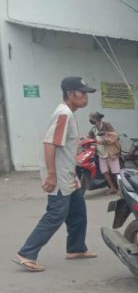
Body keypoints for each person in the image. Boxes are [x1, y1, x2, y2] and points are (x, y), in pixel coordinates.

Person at [14, 77, 98, 273]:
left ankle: (76, 249)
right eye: (82, 92)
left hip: (68, 174)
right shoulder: (64, 114)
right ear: (70, 94)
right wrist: (51, 175)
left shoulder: (68, 113)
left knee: (78, 211)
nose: (86, 97)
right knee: (56, 215)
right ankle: (26, 253)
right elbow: (49, 143)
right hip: (59, 176)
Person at [87, 111, 121, 194]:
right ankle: (112, 188)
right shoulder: (93, 129)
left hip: (111, 152)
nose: (90, 120)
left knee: (116, 172)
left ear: (97, 118)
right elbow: (89, 137)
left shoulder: (107, 125)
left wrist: (104, 138)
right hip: (101, 154)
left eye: (92, 118)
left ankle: (121, 189)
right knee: (104, 171)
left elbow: (115, 136)